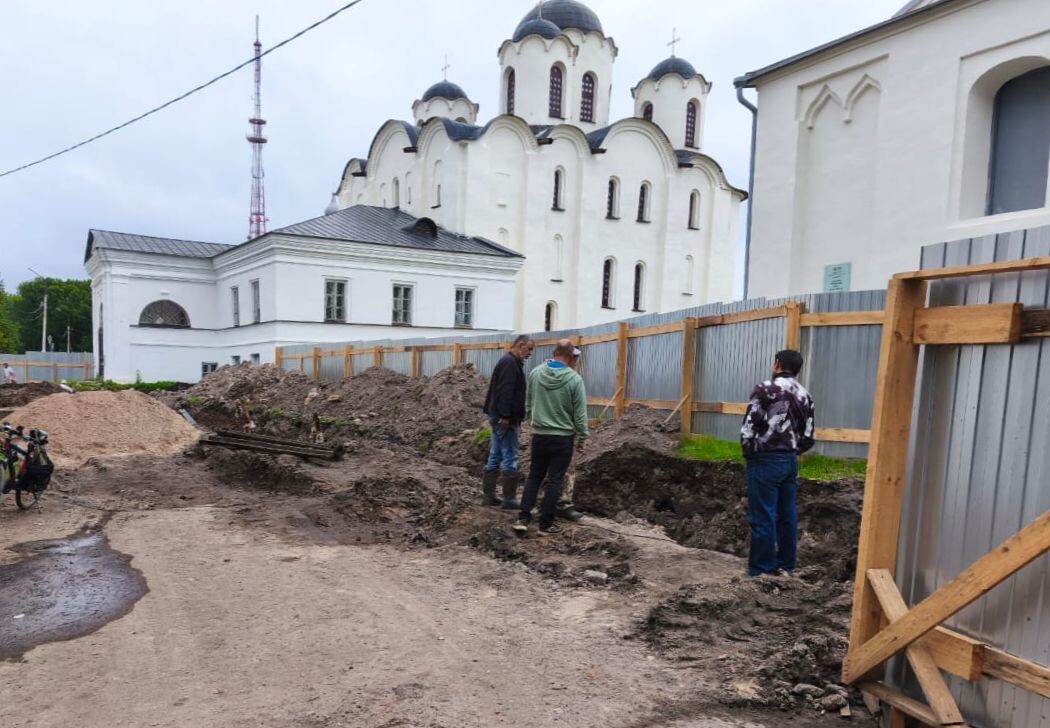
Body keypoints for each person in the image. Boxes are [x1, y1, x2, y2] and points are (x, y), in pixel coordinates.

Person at [740, 349, 815, 577]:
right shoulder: (805, 395)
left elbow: (749, 425)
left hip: (765, 459)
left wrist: (749, 451)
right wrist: (793, 451)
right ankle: (785, 566)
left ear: (777, 364)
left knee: (762, 516)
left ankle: (761, 570)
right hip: (789, 460)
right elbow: (809, 435)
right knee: (787, 515)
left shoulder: (765, 390)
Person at [513, 339, 588, 535]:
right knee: (555, 480)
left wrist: (533, 421)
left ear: (554, 353)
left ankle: (523, 518)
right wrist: (582, 438)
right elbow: (580, 414)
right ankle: (546, 524)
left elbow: (528, 403)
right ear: (570, 357)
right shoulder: (574, 380)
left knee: (534, 476)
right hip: (562, 437)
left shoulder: (536, 373)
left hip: (540, 435)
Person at [482, 334, 534, 509]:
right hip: (505, 418)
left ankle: (488, 496)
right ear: (520, 346)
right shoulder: (510, 364)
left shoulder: (508, 362)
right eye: (529, 349)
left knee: (495, 454)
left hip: (498, 415)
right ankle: (509, 499)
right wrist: (505, 415)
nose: (530, 353)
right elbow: (505, 390)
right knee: (510, 455)